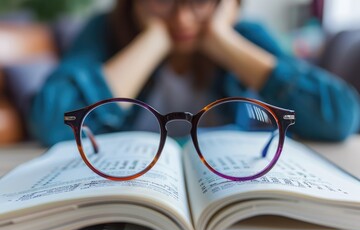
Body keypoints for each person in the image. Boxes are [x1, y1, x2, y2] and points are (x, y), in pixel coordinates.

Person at [29, 0, 360, 146]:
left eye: (200, 0)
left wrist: (224, 41)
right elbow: (51, 121)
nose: (183, 19)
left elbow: (340, 117)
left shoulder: (245, 34)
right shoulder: (103, 32)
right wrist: (153, 41)